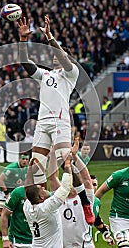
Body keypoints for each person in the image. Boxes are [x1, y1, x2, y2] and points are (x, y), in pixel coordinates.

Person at [17, 16, 93, 223]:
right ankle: (36, 207)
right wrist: (23, 40)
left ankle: (85, 202)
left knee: (64, 160)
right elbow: (25, 63)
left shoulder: (71, 73)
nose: (54, 57)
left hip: (60, 122)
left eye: (58, 54)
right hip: (43, 123)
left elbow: (64, 57)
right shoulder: (45, 75)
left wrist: (50, 36)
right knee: (35, 167)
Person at [23, 149, 73, 247]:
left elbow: (27, 190)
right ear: (41, 197)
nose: (43, 187)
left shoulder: (27, 206)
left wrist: (30, 170)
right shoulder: (47, 207)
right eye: (42, 189)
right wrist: (67, 164)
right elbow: (66, 187)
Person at [89, 175, 115, 247]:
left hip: (86, 238)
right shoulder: (76, 199)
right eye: (89, 184)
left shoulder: (96, 202)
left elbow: (96, 220)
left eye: (94, 184)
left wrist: (107, 235)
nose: (92, 187)